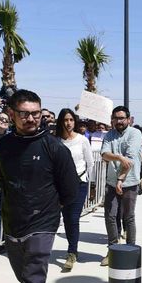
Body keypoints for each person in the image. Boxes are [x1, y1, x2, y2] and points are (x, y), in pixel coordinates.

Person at [0, 90, 79, 283]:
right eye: (25, 113)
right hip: (13, 221)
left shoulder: (54, 148)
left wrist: (55, 217)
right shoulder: (2, 146)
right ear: (12, 114)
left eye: (36, 113)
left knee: (33, 281)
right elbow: (2, 180)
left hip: (43, 223)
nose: (31, 118)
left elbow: (71, 190)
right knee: (28, 280)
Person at [100, 106, 142, 265]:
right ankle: (112, 250)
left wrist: (121, 179)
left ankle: (131, 251)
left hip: (129, 182)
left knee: (128, 216)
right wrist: (118, 157)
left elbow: (130, 160)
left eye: (122, 118)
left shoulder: (135, 134)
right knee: (110, 215)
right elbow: (104, 154)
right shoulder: (109, 135)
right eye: (116, 118)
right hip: (111, 182)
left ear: (129, 119)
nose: (119, 121)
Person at [57, 108, 94, 272]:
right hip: (61, 186)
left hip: (80, 183)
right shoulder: (56, 141)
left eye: (71, 119)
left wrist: (91, 184)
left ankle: (72, 252)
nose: (68, 123)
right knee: (66, 219)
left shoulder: (82, 140)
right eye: (65, 120)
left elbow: (90, 163)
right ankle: (73, 247)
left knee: (73, 217)